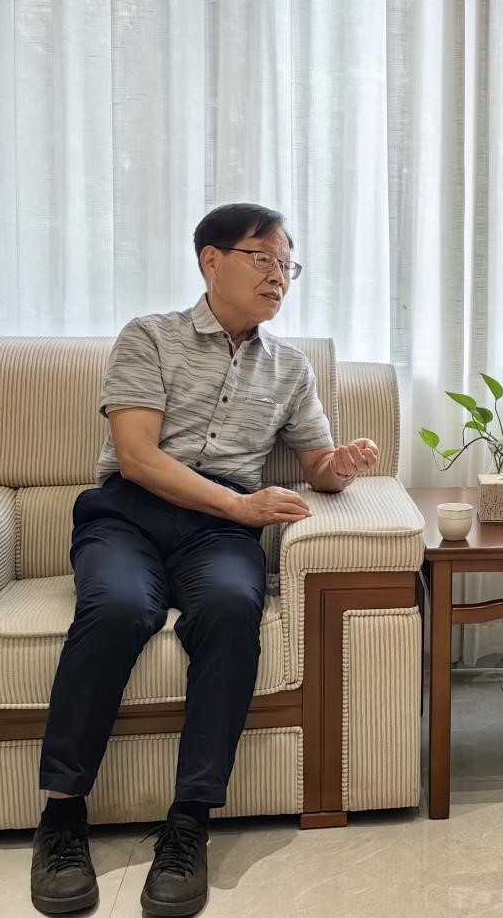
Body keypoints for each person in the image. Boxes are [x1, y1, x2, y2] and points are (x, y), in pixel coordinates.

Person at [29, 203, 379, 916]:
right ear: (210, 260)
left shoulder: (290, 367)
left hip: (217, 534)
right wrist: (240, 507)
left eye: (287, 264)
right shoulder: (149, 337)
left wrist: (340, 465)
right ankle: (62, 816)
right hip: (130, 512)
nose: (278, 275)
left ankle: (188, 824)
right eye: (263, 258)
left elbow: (317, 463)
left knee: (229, 607)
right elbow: (136, 455)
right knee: (117, 608)